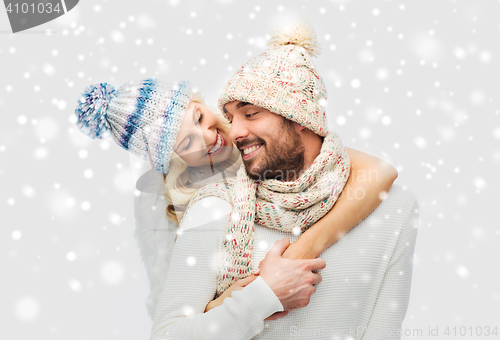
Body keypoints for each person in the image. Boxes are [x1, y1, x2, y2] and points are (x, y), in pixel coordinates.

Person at [149, 20, 419, 340]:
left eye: (250, 114)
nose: (234, 132)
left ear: (299, 118)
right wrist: (263, 296)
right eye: (232, 117)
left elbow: (384, 332)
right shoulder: (214, 209)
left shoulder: (395, 209)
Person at [74, 79, 396, 320]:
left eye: (199, 118)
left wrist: (302, 251)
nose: (209, 137)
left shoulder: (254, 133)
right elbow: (180, 318)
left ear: (200, 103)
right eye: (187, 142)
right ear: (173, 162)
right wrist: (237, 297)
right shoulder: (181, 211)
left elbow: (380, 173)